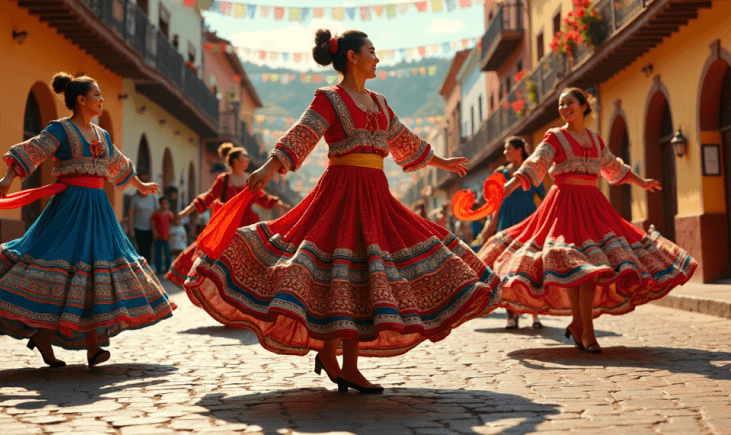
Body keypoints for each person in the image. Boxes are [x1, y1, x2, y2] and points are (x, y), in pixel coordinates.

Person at [184, 29, 500, 394]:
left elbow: (404, 140)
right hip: (340, 192)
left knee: (363, 275)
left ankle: (338, 358)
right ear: (352, 57)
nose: (377, 58)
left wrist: (442, 162)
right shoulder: (330, 99)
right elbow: (302, 134)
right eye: (372, 51)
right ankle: (343, 364)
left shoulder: (380, 103)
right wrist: (268, 168)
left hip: (376, 193)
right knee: (345, 271)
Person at [0, 72, 175, 368]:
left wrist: (140, 186)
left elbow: (116, 163)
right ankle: (49, 337)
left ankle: (89, 347)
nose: (102, 100)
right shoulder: (62, 129)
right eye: (97, 95)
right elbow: (33, 150)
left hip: (98, 209)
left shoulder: (102, 135)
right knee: (62, 265)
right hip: (70, 209)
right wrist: (8, 177)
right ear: (81, 99)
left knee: (91, 270)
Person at [478, 88, 697, 354]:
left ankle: (579, 324)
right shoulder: (555, 136)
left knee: (591, 267)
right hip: (564, 205)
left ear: (584, 106)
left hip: (593, 206)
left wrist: (641, 181)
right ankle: (587, 332)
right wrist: (507, 187)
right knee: (576, 265)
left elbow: (613, 167)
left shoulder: (594, 139)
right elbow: (535, 164)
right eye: (561, 104)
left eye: (569, 103)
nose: (564, 108)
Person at [166, 145, 288, 286]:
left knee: (251, 257)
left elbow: (261, 198)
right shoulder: (224, 180)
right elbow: (209, 196)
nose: (247, 160)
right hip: (227, 224)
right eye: (244, 157)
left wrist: (279, 204)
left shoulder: (251, 178)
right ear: (235, 161)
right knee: (210, 251)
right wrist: (190, 208)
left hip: (247, 223)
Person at [479, 137, 548, 330]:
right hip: (506, 223)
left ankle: (535, 315)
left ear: (519, 150)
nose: (505, 152)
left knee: (532, 266)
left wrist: (546, 222)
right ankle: (511, 315)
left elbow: (544, 198)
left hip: (529, 222)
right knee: (506, 268)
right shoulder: (501, 173)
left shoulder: (533, 171)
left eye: (508, 148)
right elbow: (495, 201)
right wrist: (491, 223)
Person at [127, 172, 157, 262]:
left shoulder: (153, 198)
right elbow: (130, 214)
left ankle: (147, 270)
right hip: (138, 228)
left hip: (150, 229)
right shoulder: (135, 199)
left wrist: (156, 229)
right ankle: (139, 269)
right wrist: (131, 229)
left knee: (148, 250)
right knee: (139, 250)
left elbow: (157, 214)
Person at [150, 197, 173, 275]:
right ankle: (158, 270)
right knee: (157, 254)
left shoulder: (170, 215)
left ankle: (167, 269)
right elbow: (152, 224)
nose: (164, 205)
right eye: (163, 203)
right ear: (160, 204)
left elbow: (172, 226)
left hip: (167, 237)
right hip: (158, 237)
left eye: (166, 203)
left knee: (167, 254)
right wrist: (154, 232)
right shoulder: (156, 214)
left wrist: (171, 235)